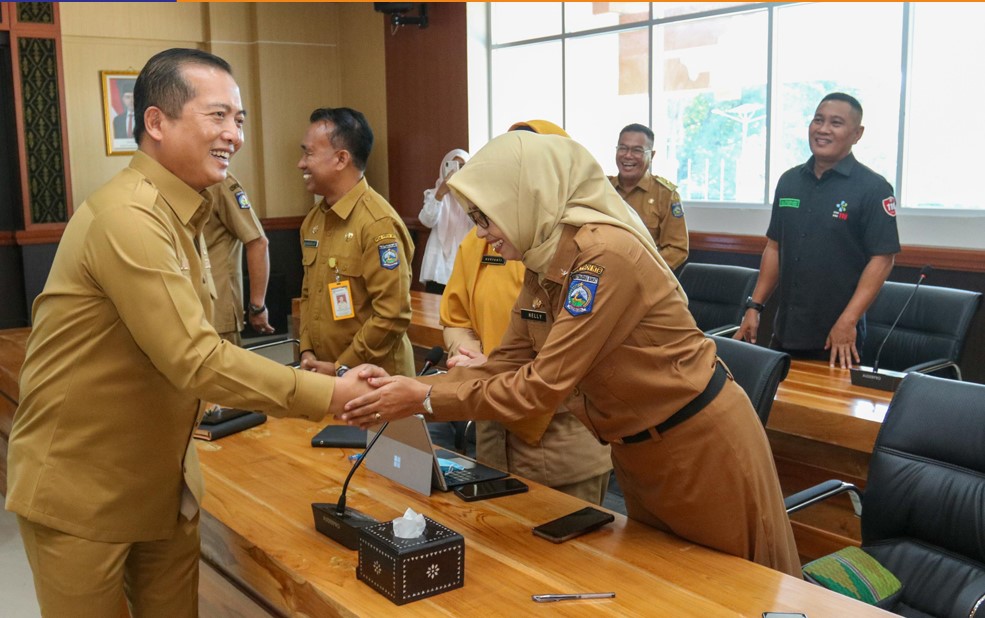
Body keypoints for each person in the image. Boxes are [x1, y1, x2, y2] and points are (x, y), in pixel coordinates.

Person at [5, 48, 371, 616]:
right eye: (218, 116)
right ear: (156, 122)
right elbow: (196, 359)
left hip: (163, 484)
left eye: (240, 120)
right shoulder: (129, 217)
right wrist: (330, 394)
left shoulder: (186, 213)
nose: (235, 135)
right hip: (83, 492)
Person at [341, 131, 801, 577]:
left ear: (525, 199)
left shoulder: (602, 258)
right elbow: (504, 363)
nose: (481, 236)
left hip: (698, 448)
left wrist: (421, 399)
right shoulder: (542, 263)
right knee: (664, 586)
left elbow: (541, 386)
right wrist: (411, 387)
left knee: (733, 592)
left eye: (486, 218)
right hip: (636, 450)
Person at [440, 119, 612, 504]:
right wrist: (465, 355)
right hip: (491, 417)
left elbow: (564, 368)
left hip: (562, 436)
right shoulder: (483, 240)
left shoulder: (589, 252)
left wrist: (422, 397)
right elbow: (455, 320)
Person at [735, 93, 900, 368]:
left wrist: (848, 321)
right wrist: (755, 306)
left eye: (836, 123)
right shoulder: (789, 181)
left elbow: (883, 259)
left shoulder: (874, 188)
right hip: (785, 331)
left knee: (826, 411)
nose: (823, 129)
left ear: (857, 134)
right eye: (818, 120)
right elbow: (775, 247)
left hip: (837, 338)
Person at [297, 107, 415, 378]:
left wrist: (343, 367)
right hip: (324, 375)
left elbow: (392, 314)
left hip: (376, 381)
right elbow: (307, 294)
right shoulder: (313, 221)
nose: (301, 163)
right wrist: (307, 351)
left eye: (309, 153)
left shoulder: (377, 224)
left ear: (341, 159)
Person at [203, 173, 275, 345]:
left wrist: (257, 306)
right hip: (188, 308)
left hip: (217, 312)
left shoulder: (219, 182)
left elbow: (258, 242)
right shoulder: (174, 178)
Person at [609, 123, 689, 270]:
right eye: (623, 148)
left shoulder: (665, 195)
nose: (628, 155)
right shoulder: (601, 188)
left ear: (651, 155)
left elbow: (677, 249)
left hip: (645, 278)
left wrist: (642, 270)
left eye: (637, 150)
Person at [418, 148, 473, 293]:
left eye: (461, 167)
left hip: (464, 263)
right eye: (452, 166)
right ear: (444, 167)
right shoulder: (433, 194)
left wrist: (467, 195)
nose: (455, 171)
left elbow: (478, 225)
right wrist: (440, 193)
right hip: (438, 265)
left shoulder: (473, 197)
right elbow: (427, 221)